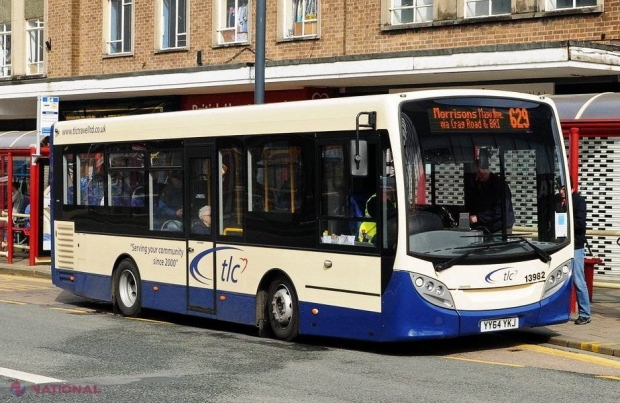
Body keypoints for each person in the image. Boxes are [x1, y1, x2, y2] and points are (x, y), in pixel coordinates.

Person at [466, 160, 515, 234]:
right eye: (475, 173)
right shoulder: (479, 184)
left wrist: (479, 217)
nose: (477, 176)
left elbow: (501, 209)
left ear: (487, 169)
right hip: (485, 227)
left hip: (499, 228)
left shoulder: (499, 185)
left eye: (479, 172)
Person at [571, 181, 591, 325]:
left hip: (576, 245)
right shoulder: (558, 201)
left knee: (578, 280)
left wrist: (564, 222)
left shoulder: (578, 201)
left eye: (562, 189)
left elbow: (580, 223)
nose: (560, 193)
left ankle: (585, 313)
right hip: (561, 245)